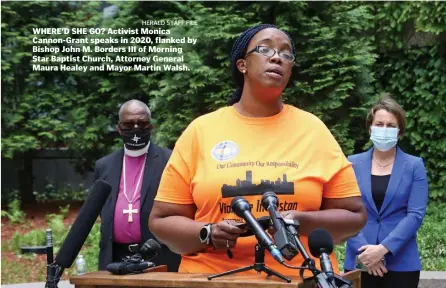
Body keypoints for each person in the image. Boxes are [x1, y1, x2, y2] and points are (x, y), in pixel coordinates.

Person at [148, 24, 367, 276]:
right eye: (265, 49)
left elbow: (354, 216)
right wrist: (208, 232)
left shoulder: (313, 130)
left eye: (286, 54)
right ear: (242, 65)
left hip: (301, 278)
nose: (277, 57)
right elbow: (162, 220)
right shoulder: (201, 131)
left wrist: (300, 221)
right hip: (211, 278)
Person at [344, 94, 429, 288]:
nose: (384, 129)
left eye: (391, 126)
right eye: (379, 124)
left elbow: (415, 215)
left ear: (399, 132)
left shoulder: (414, 166)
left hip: (401, 263)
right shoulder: (351, 164)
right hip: (360, 259)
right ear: (370, 128)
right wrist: (366, 254)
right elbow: (346, 213)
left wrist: (382, 250)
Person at [93, 99, 181, 271]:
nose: (135, 129)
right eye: (128, 124)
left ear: (151, 126)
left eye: (142, 123)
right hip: (114, 258)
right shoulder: (104, 165)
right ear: (119, 128)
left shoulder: (170, 160)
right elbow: (100, 211)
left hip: (158, 255)